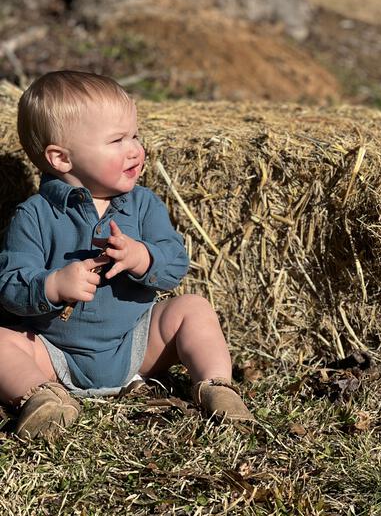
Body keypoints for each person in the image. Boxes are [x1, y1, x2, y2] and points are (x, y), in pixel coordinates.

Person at [0, 70, 253, 439]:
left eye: (135, 135)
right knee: (3, 342)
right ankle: (42, 397)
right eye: (117, 140)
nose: (136, 149)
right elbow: (9, 285)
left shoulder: (143, 205)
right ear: (61, 158)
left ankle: (216, 386)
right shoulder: (35, 215)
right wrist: (52, 285)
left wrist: (144, 258)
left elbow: (175, 264)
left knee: (193, 308)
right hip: (54, 353)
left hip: (135, 344)